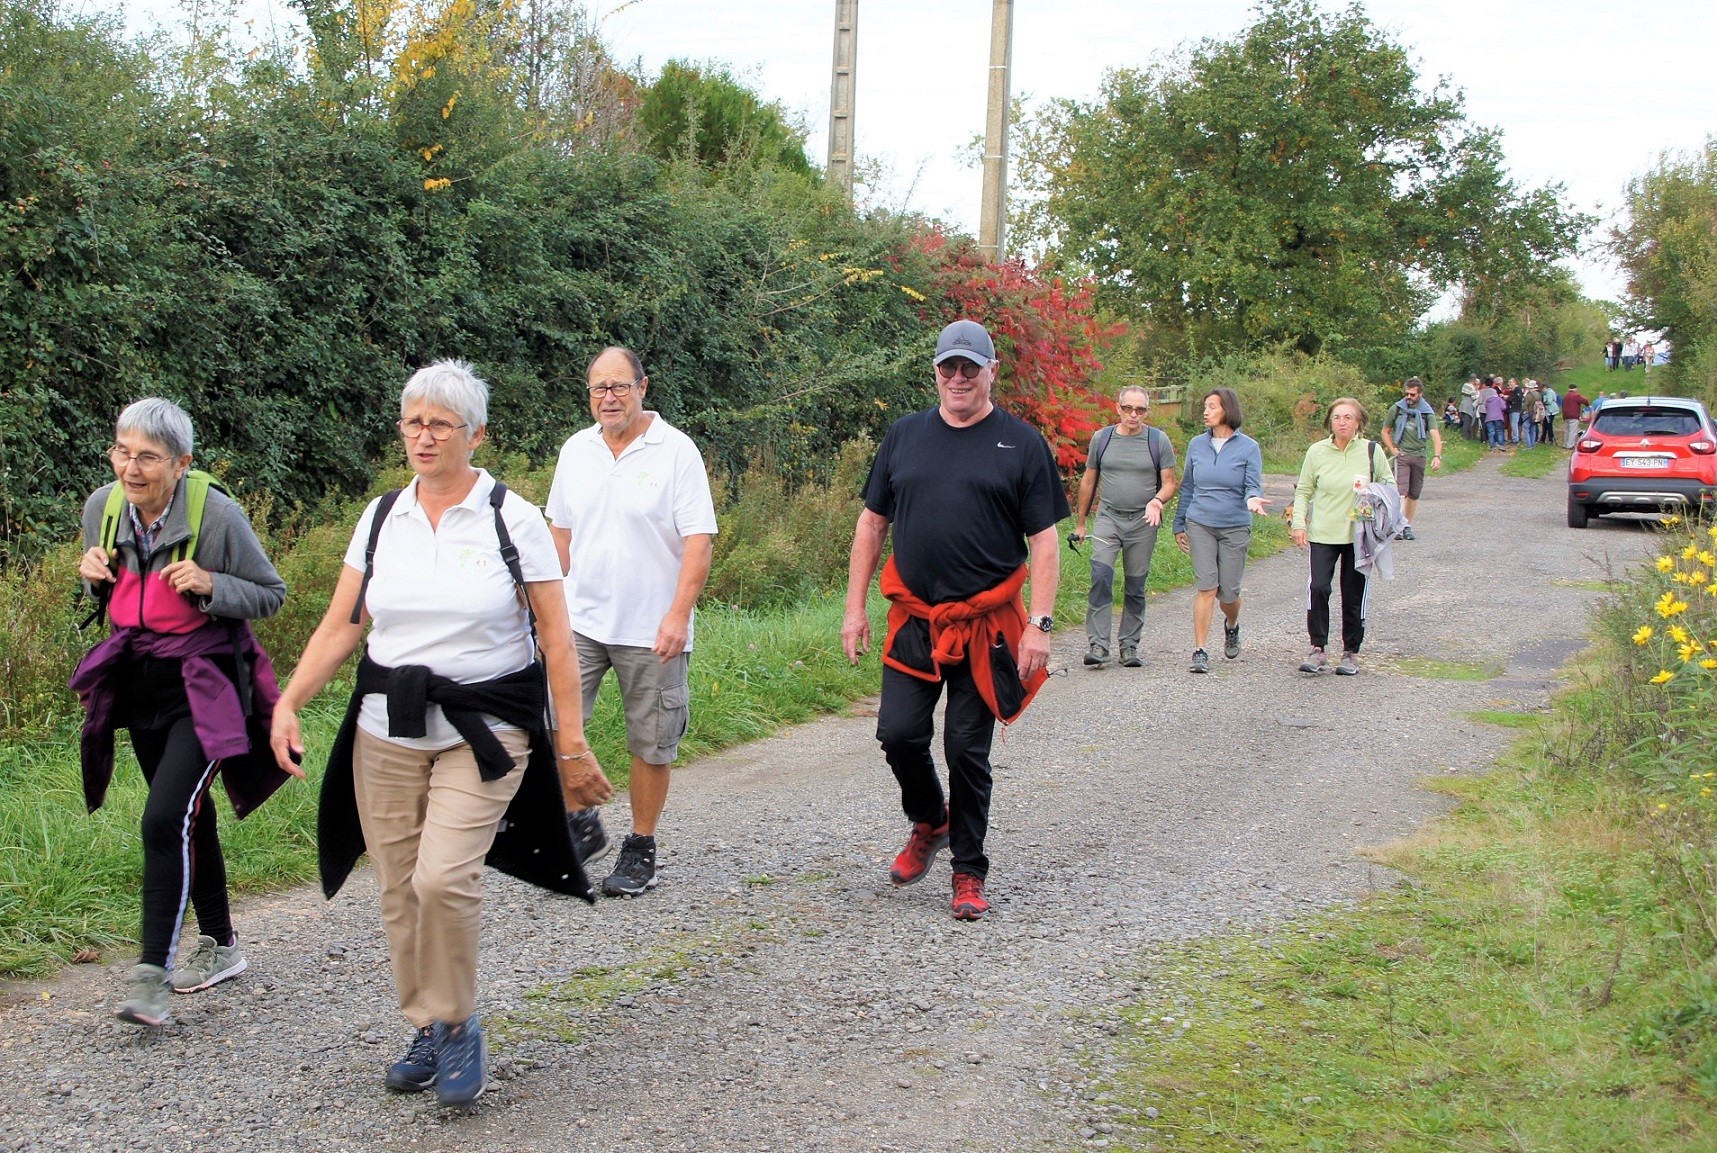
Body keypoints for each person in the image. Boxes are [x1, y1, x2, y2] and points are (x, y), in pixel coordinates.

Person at [269, 360, 612, 1107]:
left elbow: (556, 636)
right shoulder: (381, 514)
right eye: (413, 422)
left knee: (443, 877)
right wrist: (288, 699)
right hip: (385, 727)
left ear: (475, 433)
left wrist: (571, 741)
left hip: (485, 728)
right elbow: (343, 623)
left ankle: (456, 1024)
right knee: (397, 886)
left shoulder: (509, 516)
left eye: (440, 424)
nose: (423, 436)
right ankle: (426, 1018)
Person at [70, 398, 294, 1028]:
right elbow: (106, 584)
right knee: (188, 815)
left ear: (181, 461)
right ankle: (220, 945)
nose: (130, 467)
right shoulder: (103, 507)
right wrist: (91, 575)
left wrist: (211, 585)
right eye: (121, 450)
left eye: (147, 456)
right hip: (138, 682)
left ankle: (152, 976)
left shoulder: (216, 513)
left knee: (163, 816)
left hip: (204, 686)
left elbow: (271, 594)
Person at [841, 319, 1068, 922]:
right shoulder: (904, 436)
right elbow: (871, 525)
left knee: (966, 748)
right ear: (935, 372)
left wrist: (1040, 625)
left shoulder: (1022, 445)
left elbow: (1044, 542)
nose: (959, 378)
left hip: (988, 626)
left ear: (993, 371)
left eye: (972, 367)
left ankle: (968, 871)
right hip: (915, 618)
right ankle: (930, 820)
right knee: (898, 734)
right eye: (949, 367)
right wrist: (854, 607)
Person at [547, 347, 719, 898]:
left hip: (652, 627)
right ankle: (581, 824)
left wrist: (677, 615)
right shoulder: (576, 451)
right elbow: (560, 538)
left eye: (620, 386)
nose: (609, 398)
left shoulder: (676, 452)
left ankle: (640, 846)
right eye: (599, 388)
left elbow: (698, 543)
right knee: (554, 721)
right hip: (582, 620)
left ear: (643, 387)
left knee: (652, 741)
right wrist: (543, 608)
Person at [1070, 386, 1177, 668]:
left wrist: (1157, 501)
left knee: (1136, 584)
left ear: (1147, 412)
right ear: (1118, 408)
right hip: (1108, 518)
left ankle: (1129, 645)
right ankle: (1098, 645)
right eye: (1128, 408)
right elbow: (1089, 481)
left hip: (1143, 522)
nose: (1133, 414)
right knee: (1101, 577)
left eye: (1140, 410)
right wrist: (1081, 524)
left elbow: (1169, 482)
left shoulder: (1158, 441)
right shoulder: (1102, 439)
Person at [1291, 397, 1394, 677]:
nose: (1342, 423)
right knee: (1319, 587)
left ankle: (1351, 652)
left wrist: (1372, 496)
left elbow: (1390, 487)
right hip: (1324, 532)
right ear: (1330, 422)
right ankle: (1318, 648)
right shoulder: (1317, 452)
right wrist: (1299, 523)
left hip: (1359, 535)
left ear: (1359, 422)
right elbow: (1303, 491)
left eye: (1348, 417)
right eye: (1337, 417)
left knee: (1353, 592)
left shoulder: (1372, 451)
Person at [1172, 388, 1269, 674]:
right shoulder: (1196, 445)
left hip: (1235, 525)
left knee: (1228, 593)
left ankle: (1232, 624)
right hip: (1200, 522)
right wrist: (1179, 523)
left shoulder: (1248, 447)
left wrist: (1252, 498)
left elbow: (1253, 485)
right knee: (1206, 587)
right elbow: (1187, 486)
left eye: (1212, 406)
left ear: (1227, 409)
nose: (1205, 411)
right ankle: (1200, 650)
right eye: (1205, 406)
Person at [1379, 376, 1443, 540]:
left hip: (1419, 456)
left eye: (1412, 395)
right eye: (1407, 394)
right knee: (1400, 492)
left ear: (1420, 394)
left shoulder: (1426, 412)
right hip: (1403, 456)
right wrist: (1393, 450)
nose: (1409, 397)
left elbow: (1435, 435)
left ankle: (1407, 525)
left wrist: (1437, 456)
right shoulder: (1397, 409)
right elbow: (1385, 430)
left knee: (1413, 495)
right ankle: (1397, 526)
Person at [1481, 376, 1506, 450]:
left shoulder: (1487, 401)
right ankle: (1501, 445)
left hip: (1489, 418)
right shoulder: (1499, 399)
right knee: (1499, 431)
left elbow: (1486, 407)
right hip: (1498, 417)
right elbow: (1504, 407)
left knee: (1491, 432)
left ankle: (1492, 446)